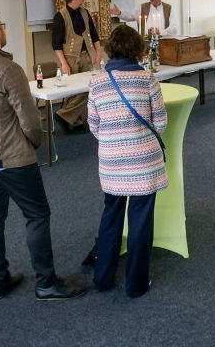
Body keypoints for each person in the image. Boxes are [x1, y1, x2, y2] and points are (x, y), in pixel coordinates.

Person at [0, 9, 88, 302]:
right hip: (12, 156)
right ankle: (46, 283)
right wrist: (33, 143)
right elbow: (29, 119)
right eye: (2, 26)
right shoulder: (7, 68)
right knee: (37, 215)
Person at [87, 25, 167, 298]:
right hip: (144, 164)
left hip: (112, 164)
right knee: (140, 223)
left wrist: (114, 142)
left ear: (110, 49)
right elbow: (161, 123)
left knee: (111, 217)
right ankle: (136, 284)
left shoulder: (97, 83)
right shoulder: (148, 80)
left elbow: (94, 126)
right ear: (138, 50)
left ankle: (102, 278)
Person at [52, 0, 102, 132]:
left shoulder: (85, 12)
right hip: (70, 58)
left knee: (89, 88)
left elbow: (94, 35)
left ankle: (64, 116)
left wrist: (98, 53)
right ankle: (74, 122)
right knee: (72, 92)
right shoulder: (60, 16)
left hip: (86, 56)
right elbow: (56, 44)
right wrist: (64, 63)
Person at [108, 0, 180, 36]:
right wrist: (120, 13)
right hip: (145, 43)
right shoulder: (142, 7)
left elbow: (175, 28)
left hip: (164, 43)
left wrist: (161, 32)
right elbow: (130, 15)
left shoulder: (169, 8)